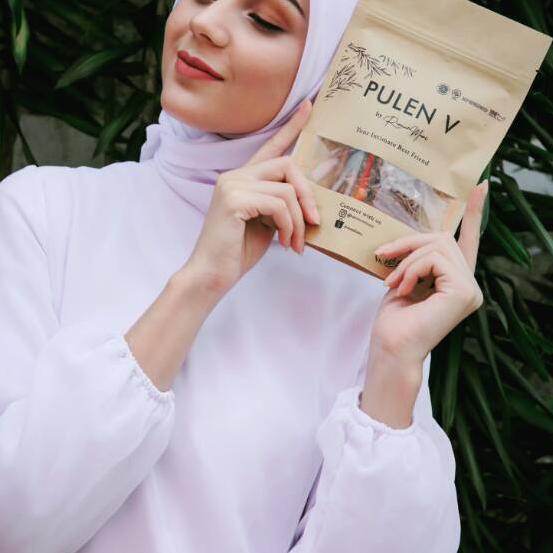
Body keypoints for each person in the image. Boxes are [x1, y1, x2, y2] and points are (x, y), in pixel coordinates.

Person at [0, 0, 488, 551]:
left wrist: (396, 366)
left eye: (264, 20)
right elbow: (13, 524)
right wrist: (198, 283)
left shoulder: (361, 297)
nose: (204, 23)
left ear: (331, 71)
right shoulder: (44, 213)